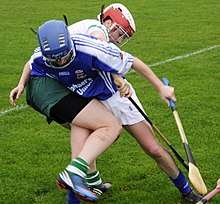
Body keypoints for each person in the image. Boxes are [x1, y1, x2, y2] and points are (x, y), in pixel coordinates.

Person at [9, 5, 201, 203]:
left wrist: (158, 87)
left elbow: (119, 56)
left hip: (116, 96)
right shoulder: (65, 41)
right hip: (84, 100)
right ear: (107, 21)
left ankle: (186, 191)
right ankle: (79, 193)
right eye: (119, 32)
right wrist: (21, 84)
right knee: (79, 159)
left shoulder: (89, 41)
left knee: (152, 148)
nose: (119, 39)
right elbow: (33, 62)